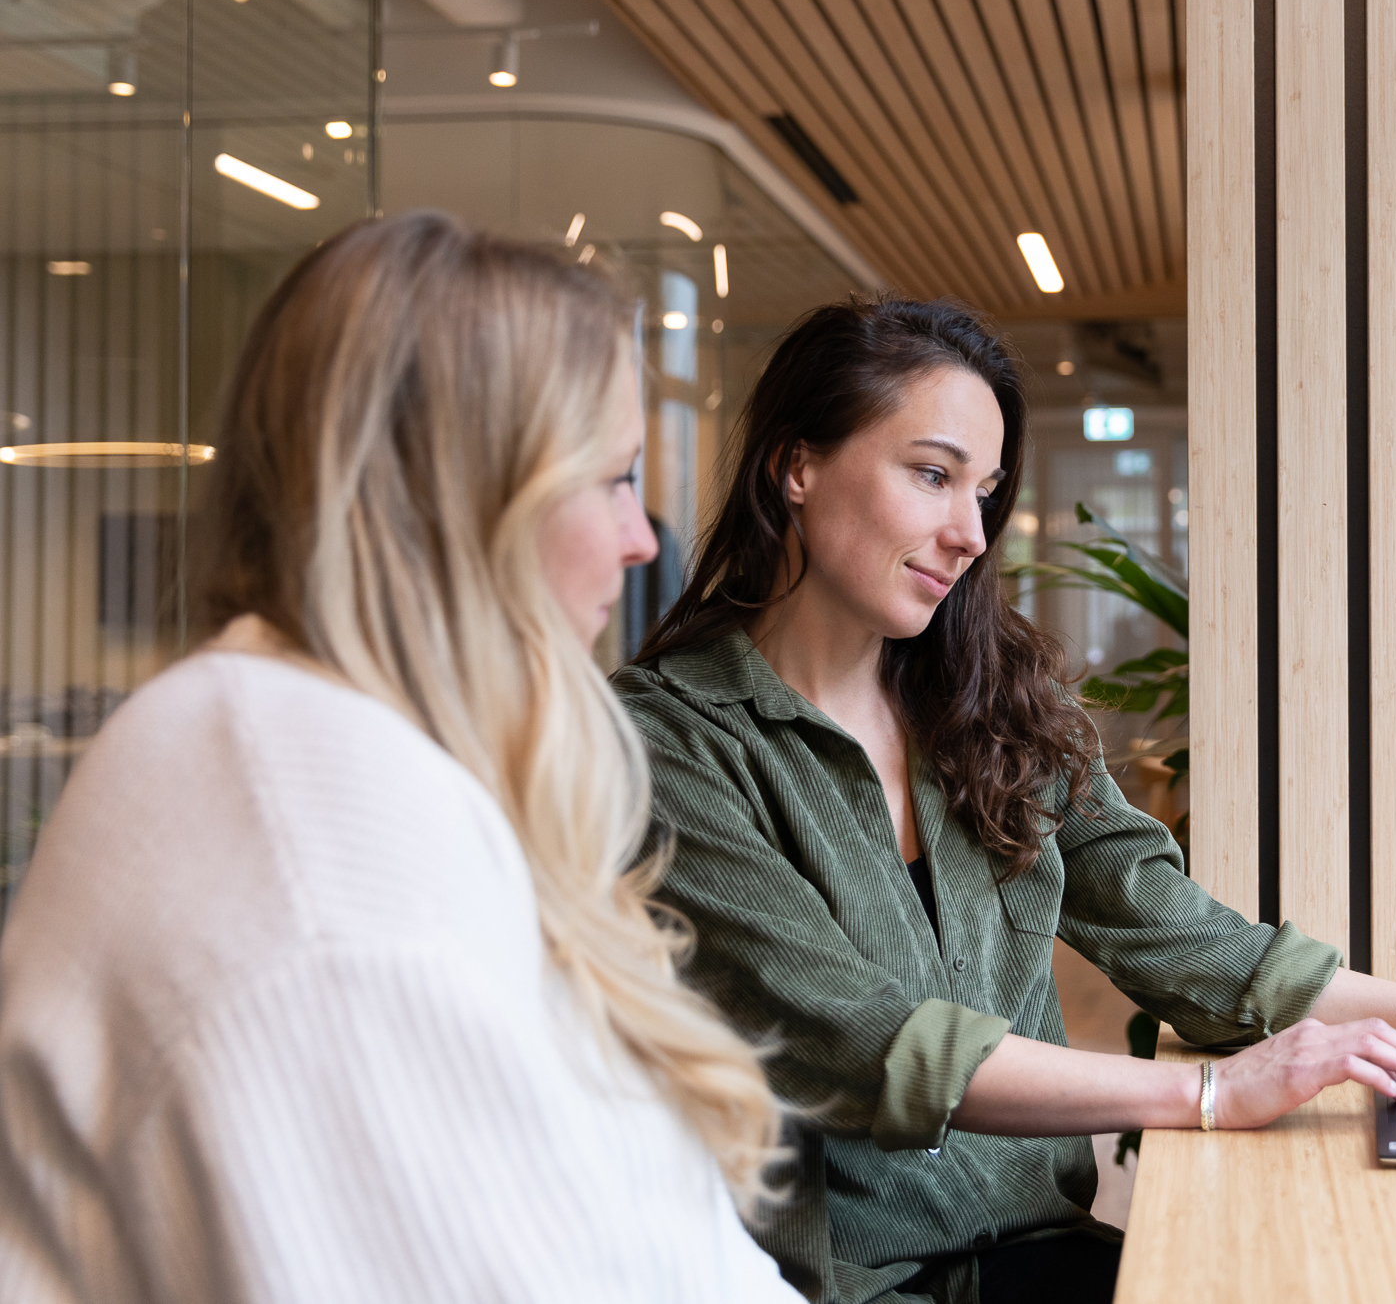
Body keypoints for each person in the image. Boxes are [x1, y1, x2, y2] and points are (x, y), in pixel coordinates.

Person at [614, 296, 1396, 1304]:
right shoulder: (671, 742)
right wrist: (1209, 1095)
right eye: (931, 476)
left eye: (982, 491)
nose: (971, 533)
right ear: (795, 465)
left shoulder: (988, 707)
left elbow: (1196, 949)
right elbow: (876, 1045)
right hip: (853, 1288)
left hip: (1040, 1253)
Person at [0, 212, 804, 1304]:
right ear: (464, 501)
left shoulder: (349, 756)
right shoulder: (312, 857)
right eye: (614, 477)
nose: (644, 539)